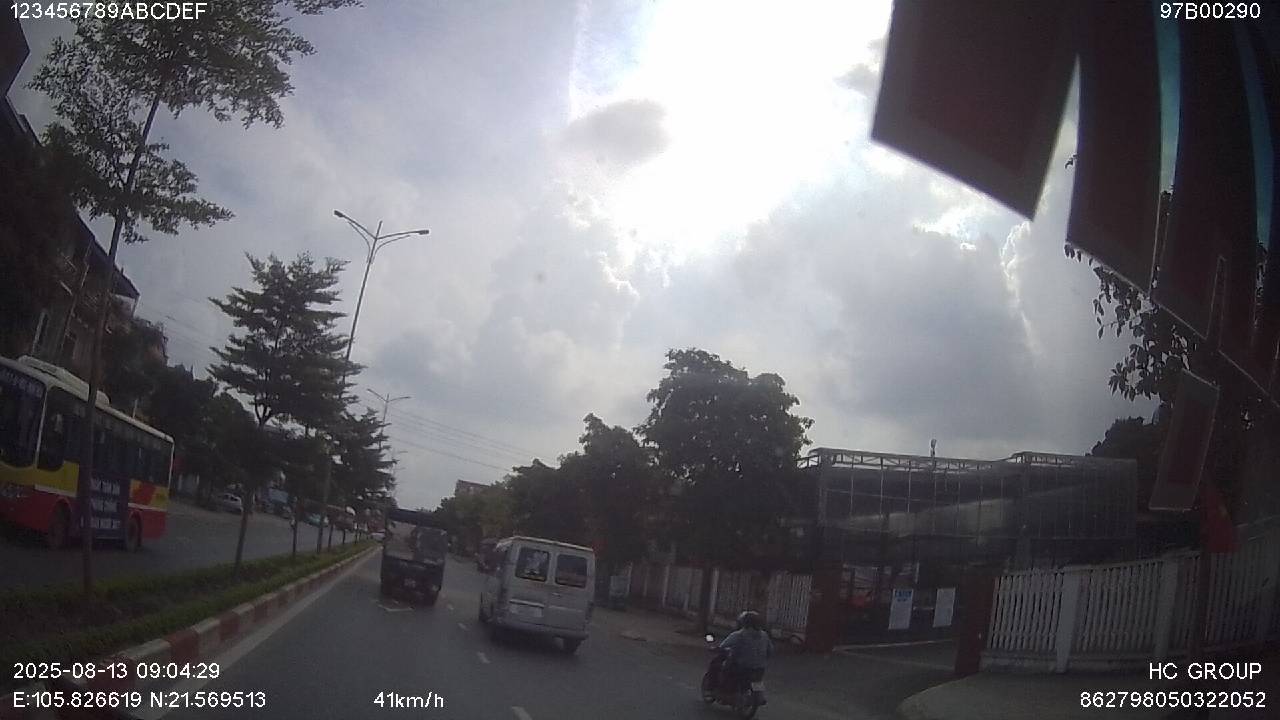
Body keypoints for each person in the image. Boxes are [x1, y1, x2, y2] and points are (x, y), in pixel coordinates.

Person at [718, 610, 773, 692]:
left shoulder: (739, 635)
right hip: (760, 668)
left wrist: (718, 649)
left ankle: (724, 690)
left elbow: (723, 646)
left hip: (742, 666)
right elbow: (770, 650)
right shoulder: (764, 635)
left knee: (724, 669)